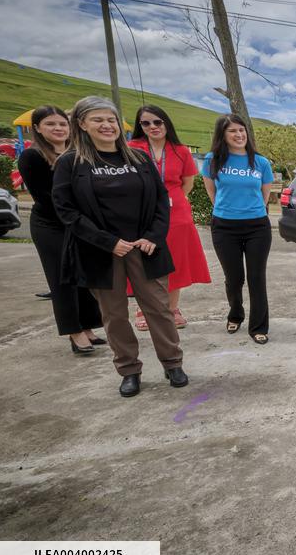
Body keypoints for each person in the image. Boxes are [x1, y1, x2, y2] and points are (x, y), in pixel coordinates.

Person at [51, 96, 186, 397]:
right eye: (98, 119)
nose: (106, 125)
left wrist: (153, 236)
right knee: (114, 315)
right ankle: (129, 370)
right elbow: (66, 210)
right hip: (101, 251)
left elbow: (161, 201)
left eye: (111, 119)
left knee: (159, 309)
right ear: (83, 124)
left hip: (145, 248)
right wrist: (108, 242)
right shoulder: (70, 163)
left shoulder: (139, 159)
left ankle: (172, 363)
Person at [16, 105, 104, 354]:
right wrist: (79, 216)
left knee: (82, 277)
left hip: (79, 224)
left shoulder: (77, 152)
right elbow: (45, 197)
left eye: (62, 124)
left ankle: (88, 326)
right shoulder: (32, 157)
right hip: (51, 225)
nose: (58, 129)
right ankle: (74, 332)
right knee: (61, 278)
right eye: (50, 124)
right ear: (37, 128)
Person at [129, 104, 211, 330]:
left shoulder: (180, 150)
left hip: (175, 210)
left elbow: (188, 182)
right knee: (144, 260)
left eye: (157, 122)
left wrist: (169, 202)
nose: (153, 127)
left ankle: (172, 308)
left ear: (166, 123)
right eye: (146, 123)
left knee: (176, 261)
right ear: (140, 126)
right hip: (141, 209)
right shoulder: (131, 148)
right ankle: (143, 308)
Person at [201, 114, 273, 345]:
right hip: (224, 227)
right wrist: (228, 210)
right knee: (234, 278)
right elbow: (212, 192)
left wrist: (252, 211)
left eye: (242, 130)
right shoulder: (213, 160)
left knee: (256, 277)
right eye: (232, 131)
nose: (239, 135)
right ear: (222, 135)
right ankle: (235, 314)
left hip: (257, 227)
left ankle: (259, 326)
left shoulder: (260, 162)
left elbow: (265, 194)